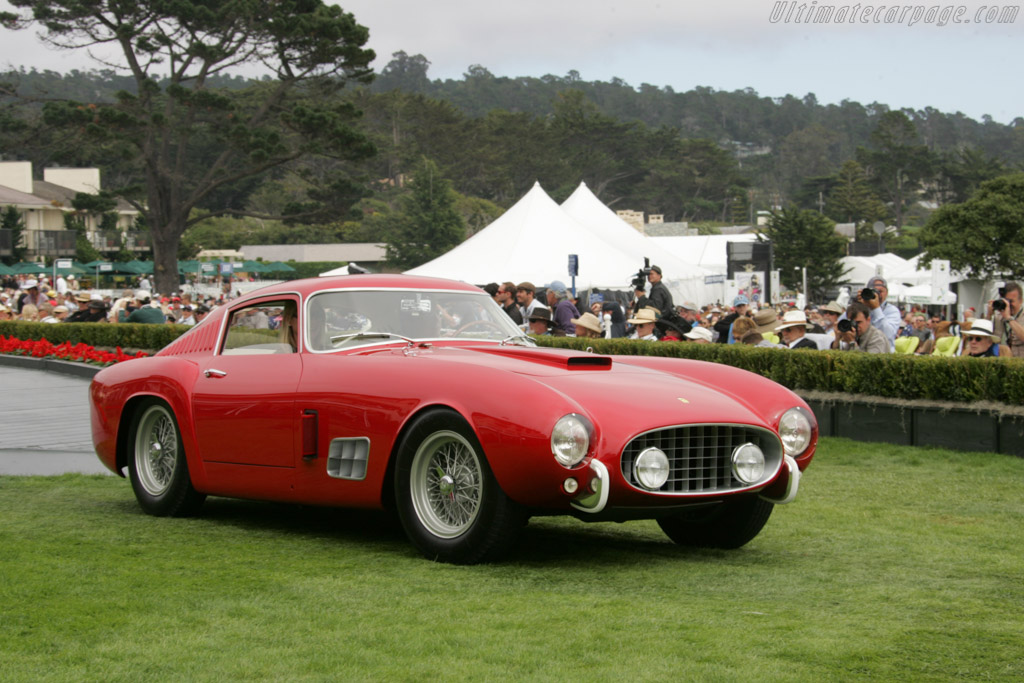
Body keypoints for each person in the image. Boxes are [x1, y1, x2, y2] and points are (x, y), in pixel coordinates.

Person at [859, 276, 901, 352]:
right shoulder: (861, 307)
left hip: (884, 354)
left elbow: (887, 334)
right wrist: (857, 305)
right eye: (874, 291)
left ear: (887, 293)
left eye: (880, 291)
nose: (877, 295)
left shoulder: (893, 311)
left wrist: (876, 308)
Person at [990, 281, 1024, 358]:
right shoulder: (998, 317)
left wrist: (1009, 318)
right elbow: (987, 340)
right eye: (1005, 301)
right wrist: (989, 315)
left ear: (1021, 300)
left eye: (1011, 301)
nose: (1008, 305)